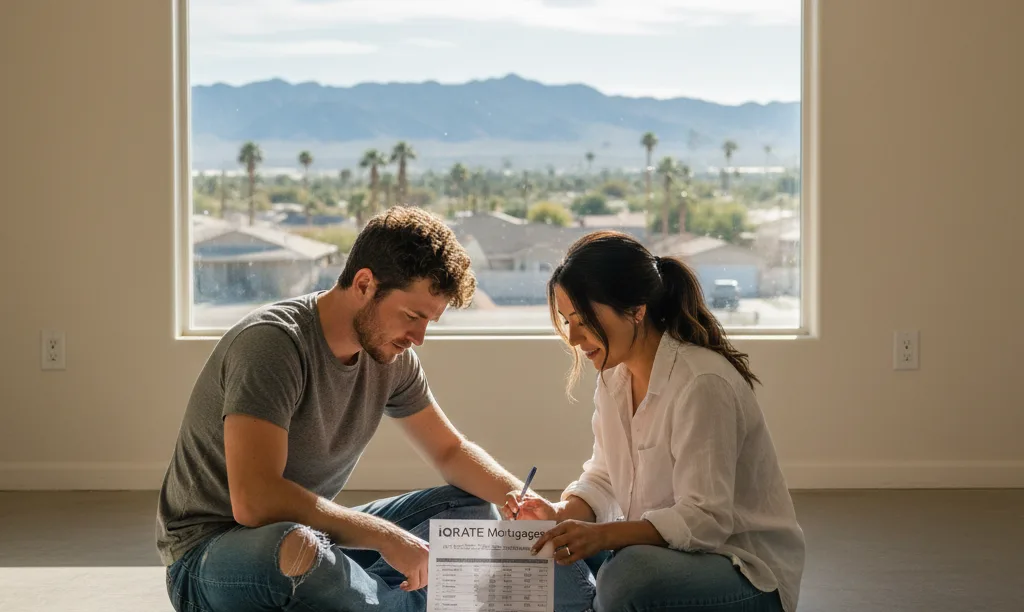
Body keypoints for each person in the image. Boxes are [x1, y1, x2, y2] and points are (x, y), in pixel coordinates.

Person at [158, 207, 533, 612]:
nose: (419, 338)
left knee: (472, 508)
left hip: (312, 539)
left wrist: (528, 503)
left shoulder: (390, 356)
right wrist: (389, 539)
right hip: (212, 556)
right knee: (298, 549)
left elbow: (449, 451)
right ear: (364, 283)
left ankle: (368, 597)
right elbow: (255, 501)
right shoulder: (273, 344)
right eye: (412, 316)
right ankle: (388, 600)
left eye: (430, 322)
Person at [502, 231, 805, 612]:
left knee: (627, 576)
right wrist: (559, 515)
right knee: (548, 552)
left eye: (583, 319)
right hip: (663, 553)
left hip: (742, 570)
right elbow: (604, 476)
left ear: (636, 309)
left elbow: (705, 519)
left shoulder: (701, 383)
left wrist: (601, 536)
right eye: (567, 321)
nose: (574, 337)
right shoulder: (614, 377)